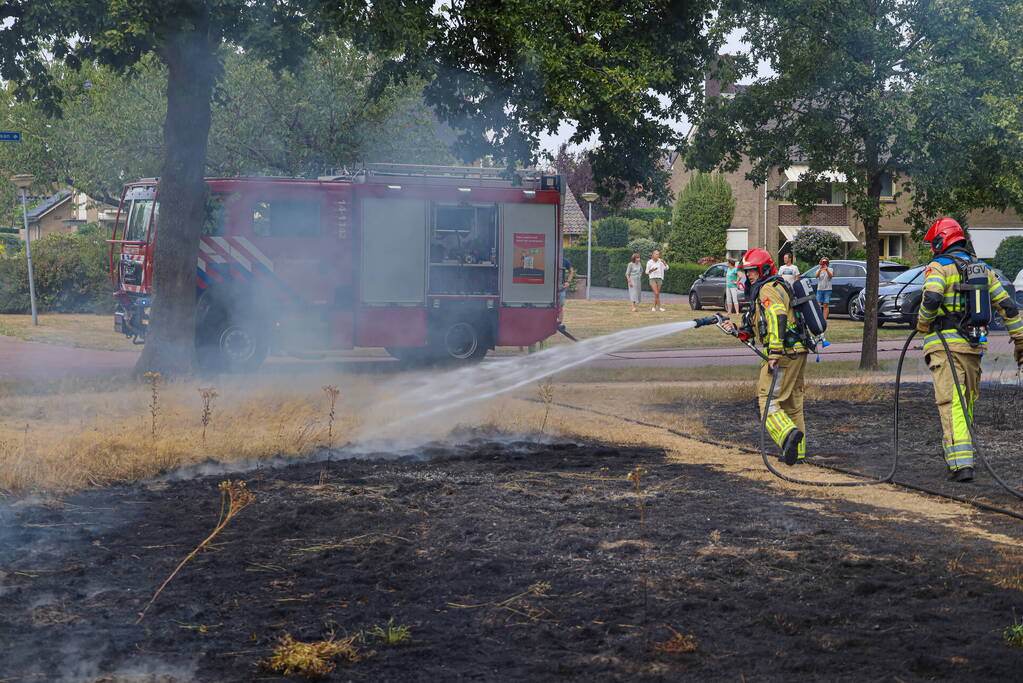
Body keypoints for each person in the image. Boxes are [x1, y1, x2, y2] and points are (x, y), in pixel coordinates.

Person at [916, 218, 1023, 483]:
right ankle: (964, 458)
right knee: (966, 403)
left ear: (942, 241)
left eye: (933, 243)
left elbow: (932, 298)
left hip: (945, 348)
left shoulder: (938, 267)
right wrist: (1020, 339)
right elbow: (1008, 307)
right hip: (974, 347)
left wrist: (922, 322)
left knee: (951, 403)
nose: (932, 249)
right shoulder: (983, 269)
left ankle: (961, 464)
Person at [721, 248, 808, 465]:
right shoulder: (778, 285)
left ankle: (787, 435)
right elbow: (760, 324)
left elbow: (777, 316)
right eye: (747, 271)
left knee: (767, 402)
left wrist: (775, 353)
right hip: (798, 350)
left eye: (753, 271)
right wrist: (738, 330)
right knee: (792, 404)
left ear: (765, 269)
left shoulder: (767, 289)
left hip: (783, 354)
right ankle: (798, 454)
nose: (749, 275)